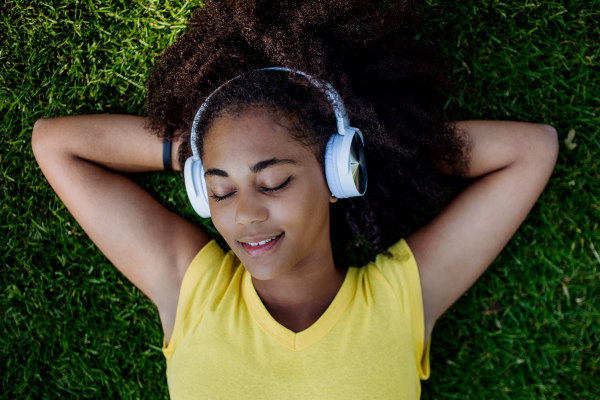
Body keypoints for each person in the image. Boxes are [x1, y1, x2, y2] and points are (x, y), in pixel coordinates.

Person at [31, 0, 558, 398]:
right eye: (218, 188)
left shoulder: (399, 302)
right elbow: (56, 144)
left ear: (337, 175)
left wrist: (375, 146)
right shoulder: (194, 294)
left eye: (274, 181)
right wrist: (197, 145)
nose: (244, 213)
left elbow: (532, 150)